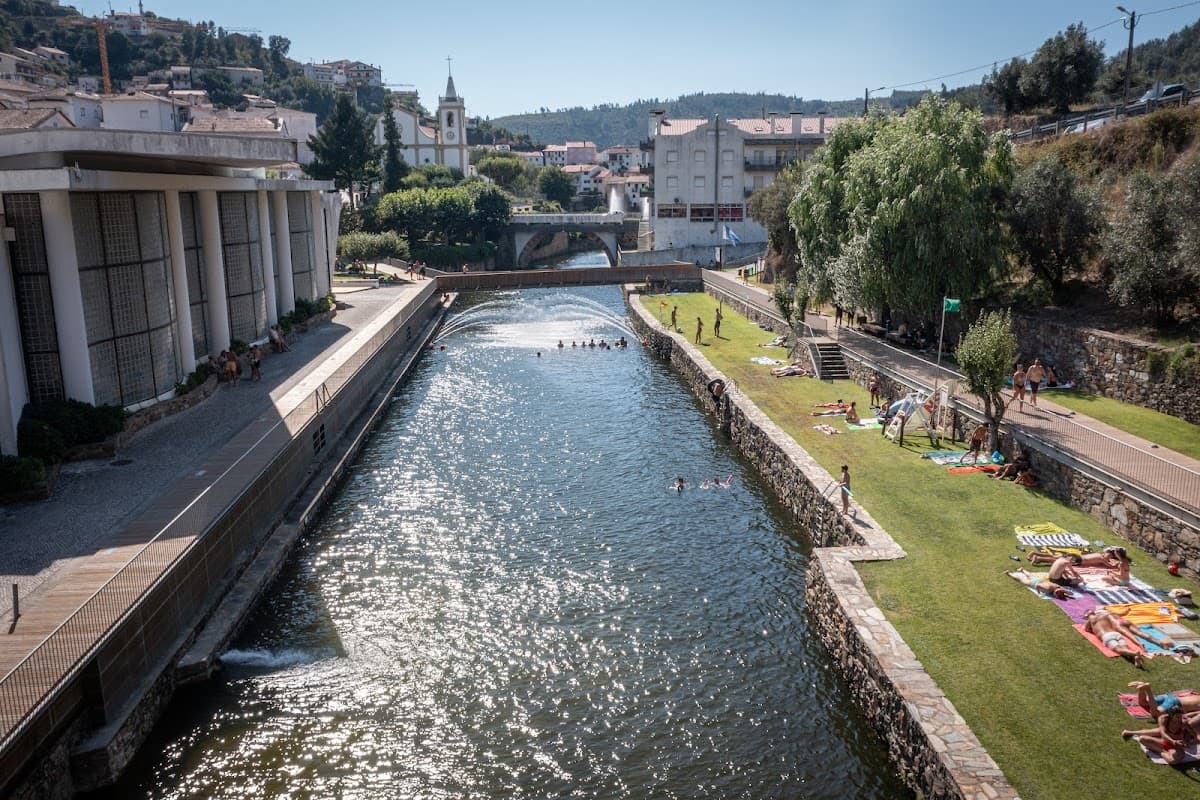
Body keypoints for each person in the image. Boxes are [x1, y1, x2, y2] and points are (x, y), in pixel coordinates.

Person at [1084, 608, 1150, 667]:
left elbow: (1086, 629)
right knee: (1126, 649)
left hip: (1106, 636)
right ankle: (1136, 659)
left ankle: (1135, 653)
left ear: (1086, 615)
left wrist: (1088, 620)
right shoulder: (1103, 614)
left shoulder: (1090, 620)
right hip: (1116, 634)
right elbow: (1119, 614)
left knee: (1118, 650)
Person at [1128, 681, 1200, 720]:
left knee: (1143, 702)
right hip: (1175, 703)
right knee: (1155, 713)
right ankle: (1148, 689)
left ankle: (1142, 687)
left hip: (1170, 697)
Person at [1006, 568, 1074, 600]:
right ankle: (1008, 573)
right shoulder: (1049, 588)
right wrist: (1039, 593)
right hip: (1035, 583)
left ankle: (1022, 570)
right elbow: (1038, 586)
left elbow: (1071, 594)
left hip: (1040, 580)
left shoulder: (1058, 586)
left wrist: (1065, 591)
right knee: (1022, 580)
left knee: (1030, 575)